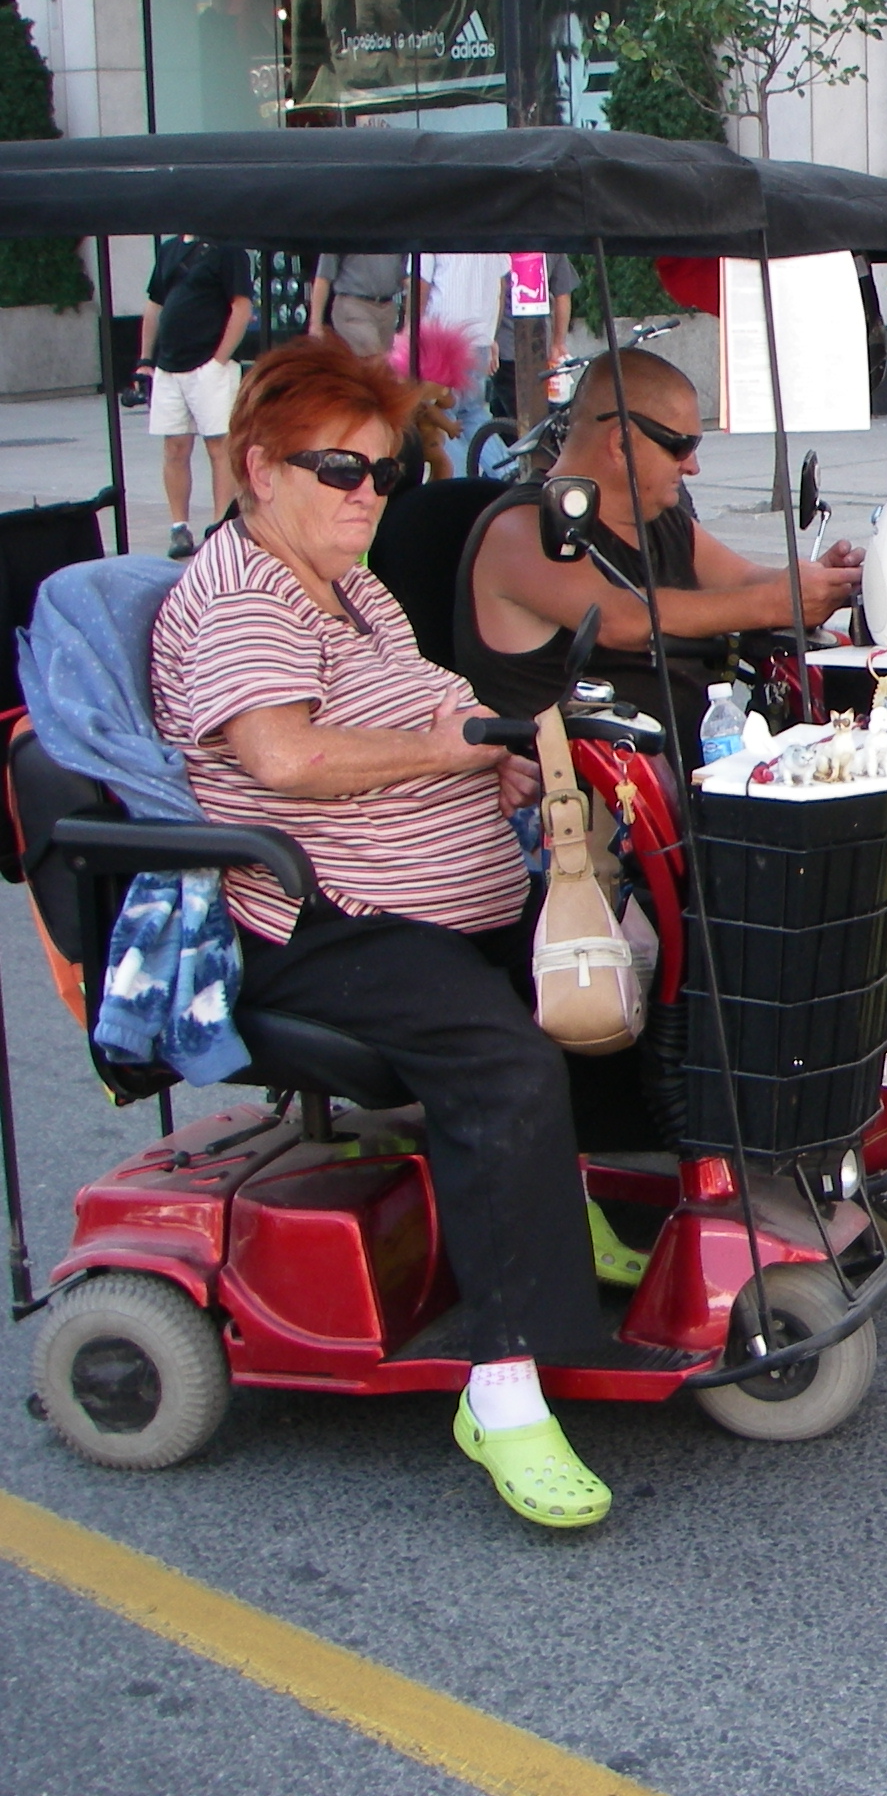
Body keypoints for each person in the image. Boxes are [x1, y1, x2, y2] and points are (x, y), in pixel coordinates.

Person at [148, 339, 614, 1529]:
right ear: (259, 468)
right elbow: (283, 757)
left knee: (611, 962)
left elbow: (425, 706)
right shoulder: (246, 600)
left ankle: (556, 1208)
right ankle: (501, 1391)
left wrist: (498, 757)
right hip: (320, 923)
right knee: (503, 1058)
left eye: (386, 473)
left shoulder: (346, 584)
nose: (369, 495)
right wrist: (447, 753)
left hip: (424, 902)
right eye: (341, 470)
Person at [462, 349, 860, 758]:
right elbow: (618, 618)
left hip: (702, 767)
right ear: (621, 442)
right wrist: (777, 602)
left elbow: (742, 579)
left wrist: (824, 582)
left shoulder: (658, 515)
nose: (693, 466)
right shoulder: (521, 526)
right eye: (680, 446)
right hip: (587, 788)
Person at [138, 234, 255, 560]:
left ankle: (221, 525)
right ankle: (179, 526)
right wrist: (145, 359)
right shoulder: (169, 250)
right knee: (174, 447)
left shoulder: (228, 249)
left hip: (209, 364)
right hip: (169, 365)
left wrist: (219, 360)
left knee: (219, 446)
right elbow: (155, 304)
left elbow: (241, 306)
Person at [414, 252, 510, 426]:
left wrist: (411, 328)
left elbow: (420, 285)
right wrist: (491, 335)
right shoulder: (494, 237)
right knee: (473, 413)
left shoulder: (431, 235)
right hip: (480, 337)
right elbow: (501, 287)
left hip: (442, 338)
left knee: (440, 413)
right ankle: (492, 446)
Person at [306, 252, 408, 358]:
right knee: (372, 355)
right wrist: (315, 324)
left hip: (388, 308)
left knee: (385, 362)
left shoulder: (394, 241)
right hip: (353, 305)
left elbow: (406, 272)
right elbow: (323, 278)